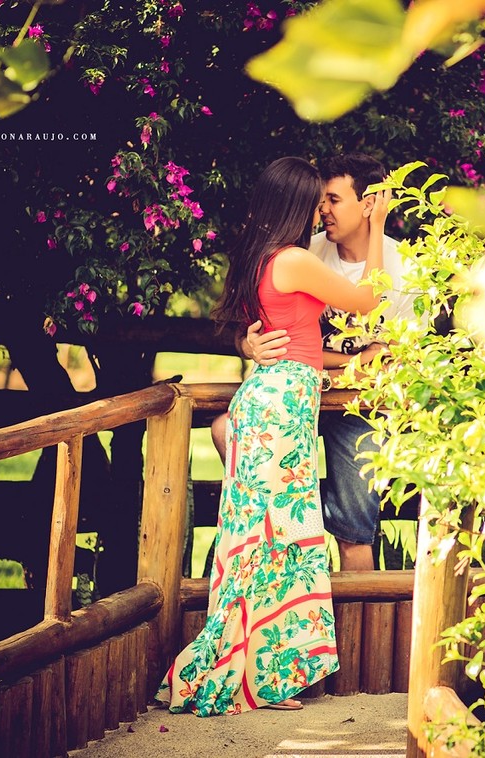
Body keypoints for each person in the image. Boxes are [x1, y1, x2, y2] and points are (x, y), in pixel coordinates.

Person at [157, 156, 390, 716]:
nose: (320, 209)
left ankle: (263, 674)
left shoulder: (268, 259)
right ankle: (254, 676)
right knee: (277, 538)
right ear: (294, 205)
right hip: (282, 405)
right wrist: (378, 229)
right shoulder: (292, 261)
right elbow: (371, 300)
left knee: (270, 539)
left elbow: (282, 336)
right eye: (314, 200)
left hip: (276, 396)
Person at [212, 154, 414, 571]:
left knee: (350, 526)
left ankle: (330, 623)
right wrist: (253, 346)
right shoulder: (303, 254)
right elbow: (269, 330)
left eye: (332, 201)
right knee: (280, 521)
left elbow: (402, 358)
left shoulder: (406, 266)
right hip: (297, 395)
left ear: (369, 202)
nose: (322, 210)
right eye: (318, 201)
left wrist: (351, 369)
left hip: (358, 406)